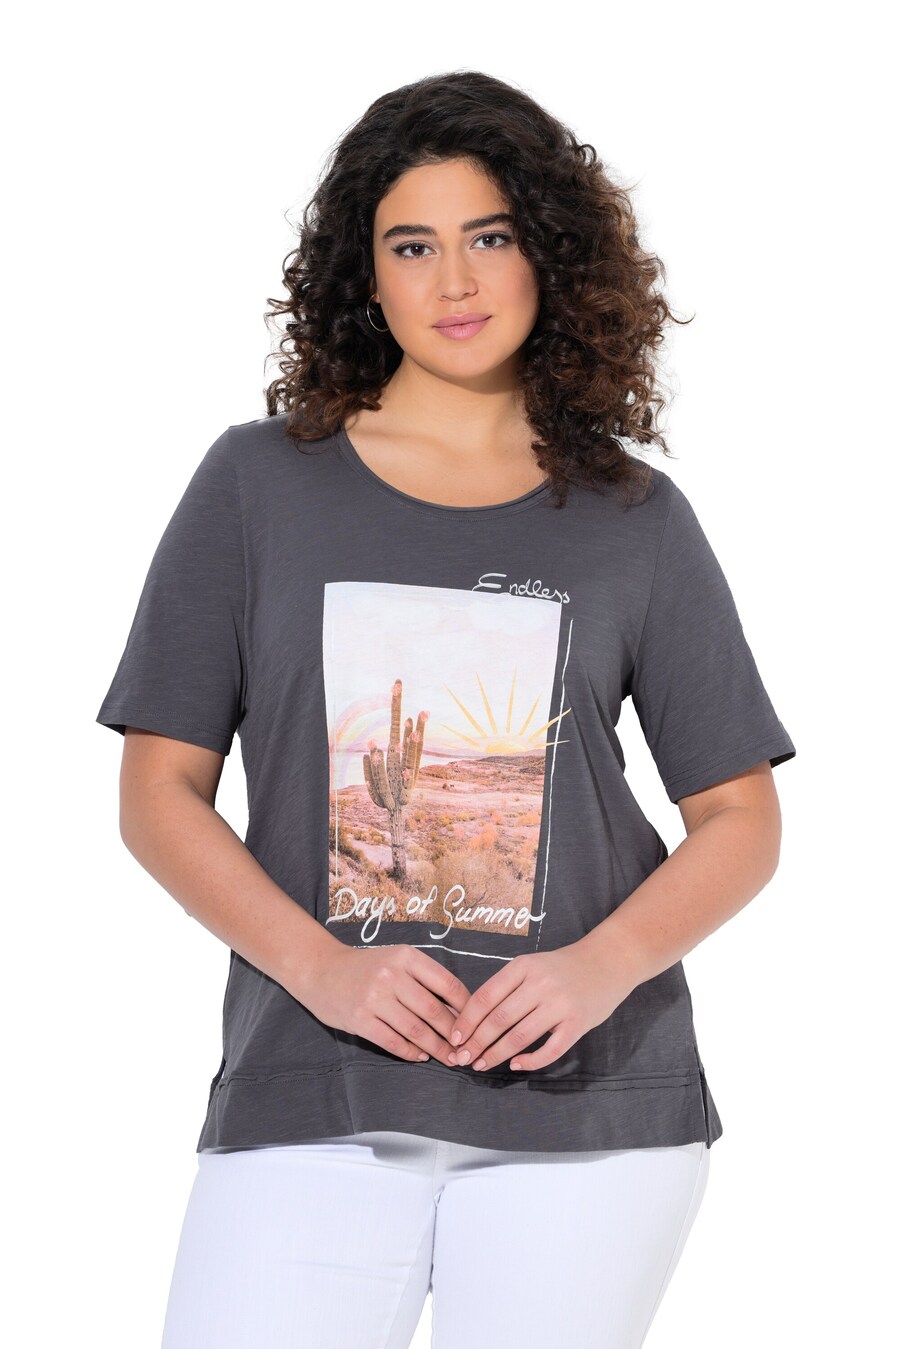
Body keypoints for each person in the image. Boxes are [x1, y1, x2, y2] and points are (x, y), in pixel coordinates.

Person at [95, 70, 796, 1349]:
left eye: (491, 236)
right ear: (366, 276)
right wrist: (322, 966)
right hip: (315, 1085)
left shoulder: (635, 518)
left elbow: (742, 815)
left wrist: (596, 968)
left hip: (591, 1109)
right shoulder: (257, 484)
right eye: (412, 245)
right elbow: (158, 792)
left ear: (550, 255)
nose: (455, 281)